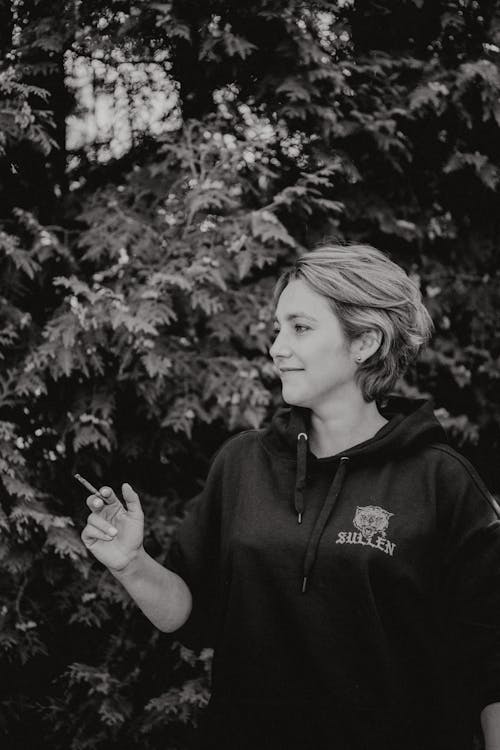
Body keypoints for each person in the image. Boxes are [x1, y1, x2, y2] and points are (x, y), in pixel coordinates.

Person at [81, 244, 500, 750]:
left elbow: (489, 666)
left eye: (300, 328)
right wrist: (131, 564)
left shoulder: (442, 482)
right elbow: (191, 615)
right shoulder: (241, 464)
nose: (277, 347)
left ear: (365, 341)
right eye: (277, 328)